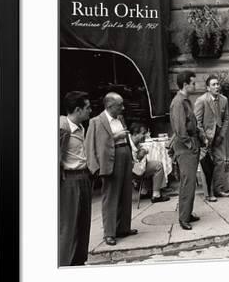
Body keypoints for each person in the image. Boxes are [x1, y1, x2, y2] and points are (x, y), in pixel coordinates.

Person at [84, 92, 137, 246]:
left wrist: (132, 156)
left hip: (125, 155)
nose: (123, 107)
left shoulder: (120, 118)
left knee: (126, 193)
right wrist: (94, 167)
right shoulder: (96, 121)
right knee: (111, 197)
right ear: (109, 106)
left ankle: (123, 228)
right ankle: (109, 233)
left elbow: (126, 138)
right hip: (109, 160)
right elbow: (89, 145)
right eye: (120, 105)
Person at [59, 91, 92, 266]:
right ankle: (64, 264)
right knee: (69, 226)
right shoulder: (62, 128)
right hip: (70, 181)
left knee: (83, 224)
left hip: (83, 177)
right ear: (78, 109)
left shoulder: (81, 128)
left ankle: (79, 261)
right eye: (87, 108)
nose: (90, 111)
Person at [169, 71, 202, 230]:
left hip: (190, 144)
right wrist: (191, 145)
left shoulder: (185, 101)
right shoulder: (178, 102)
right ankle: (183, 217)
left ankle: (187, 213)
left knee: (190, 182)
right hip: (185, 147)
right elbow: (180, 129)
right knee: (187, 182)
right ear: (185, 84)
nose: (195, 85)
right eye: (193, 83)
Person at [194, 75, 229, 202]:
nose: (217, 87)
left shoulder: (224, 100)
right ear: (208, 88)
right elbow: (197, 122)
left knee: (220, 162)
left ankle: (219, 189)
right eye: (213, 85)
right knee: (206, 165)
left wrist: (221, 135)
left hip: (218, 136)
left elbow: (226, 119)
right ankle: (208, 194)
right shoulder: (201, 100)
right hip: (205, 137)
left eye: (218, 84)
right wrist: (203, 137)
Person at [129, 123, 170, 203]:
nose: (145, 135)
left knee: (152, 163)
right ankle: (156, 195)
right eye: (143, 133)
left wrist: (143, 151)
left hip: (135, 168)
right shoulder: (129, 144)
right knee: (158, 165)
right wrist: (140, 156)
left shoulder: (134, 141)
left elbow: (142, 149)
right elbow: (135, 161)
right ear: (135, 134)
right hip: (133, 171)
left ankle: (145, 190)